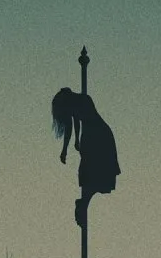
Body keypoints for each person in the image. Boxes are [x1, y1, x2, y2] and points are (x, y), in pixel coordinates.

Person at [52, 87, 121, 227]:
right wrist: (70, 145)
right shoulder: (80, 101)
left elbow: (74, 124)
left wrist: (70, 146)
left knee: (96, 177)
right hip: (95, 137)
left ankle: (83, 204)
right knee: (91, 178)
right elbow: (74, 124)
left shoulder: (82, 101)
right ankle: (83, 204)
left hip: (98, 137)